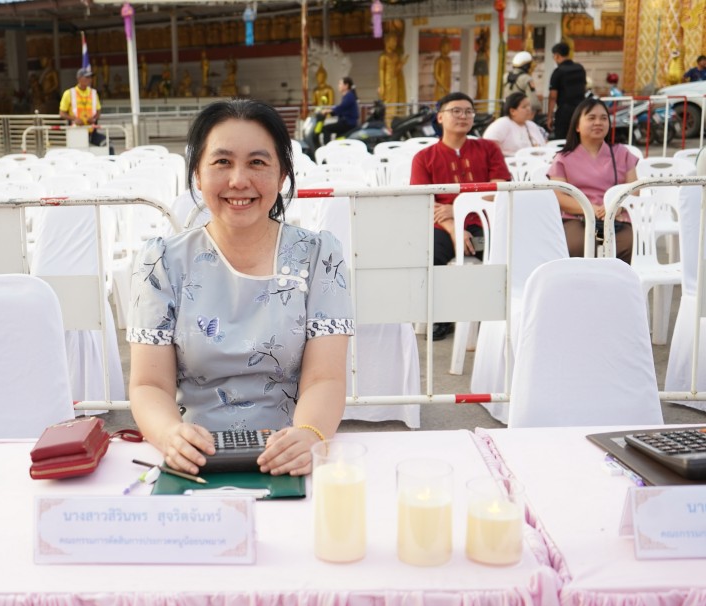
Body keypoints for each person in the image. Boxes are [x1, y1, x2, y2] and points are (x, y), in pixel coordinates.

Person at [127, 99, 354, 477]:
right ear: (197, 175)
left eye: (257, 162)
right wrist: (170, 435)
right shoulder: (162, 262)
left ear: (282, 176)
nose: (238, 180)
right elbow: (149, 384)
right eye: (222, 162)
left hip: (289, 454)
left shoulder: (318, 257)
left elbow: (325, 377)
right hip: (195, 456)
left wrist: (310, 434)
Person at [410, 92, 511, 340]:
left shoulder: (488, 149)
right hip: (441, 225)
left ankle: (495, 317)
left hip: (484, 221)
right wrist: (454, 227)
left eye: (468, 111)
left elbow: (500, 188)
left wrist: (458, 206)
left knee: (501, 252)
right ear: (440, 117)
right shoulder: (424, 157)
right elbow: (424, 202)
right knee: (431, 254)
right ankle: (440, 316)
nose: (463, 116)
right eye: (456, 111)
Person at [546, 97, 638, 263]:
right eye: (591, 118)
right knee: (578, 245)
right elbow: (558, 196)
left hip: (616, 217)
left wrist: (617, 207)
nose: (598, 123)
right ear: (577, 126)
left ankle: (616, 281)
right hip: (575, 218)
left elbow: (634, 190)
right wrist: (591, 209)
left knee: (628, 244)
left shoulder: (622, 153)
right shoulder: (563, 158)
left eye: (603, 118)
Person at [483, 92, 548, 157]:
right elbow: (488, 146)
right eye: (524, 107)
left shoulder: (532, 125)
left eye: (529, 105)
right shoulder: (502, 124)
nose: (528, 109)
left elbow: (543, 146)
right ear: (512, 111)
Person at [59, 67, 109, 148]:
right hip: (76, 131)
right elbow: (62, 113)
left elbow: (98, 111)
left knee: (108, 144)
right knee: (79, 152)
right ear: (79, 79)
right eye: (87, 77)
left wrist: (94, 119)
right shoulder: (69, 93)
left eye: (90, 77)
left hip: (91, 132)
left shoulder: (93, 93)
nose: (89, 79)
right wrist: (74, 119)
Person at [547, 42, 586, 141]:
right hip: (580, 110)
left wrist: (550, 117)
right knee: (579, 139)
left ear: (557, 55)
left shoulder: (558, 72)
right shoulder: (580, 68)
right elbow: (584, 88)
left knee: (562, 140)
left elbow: (553, 97)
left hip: (565, 112)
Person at [320, 77, 359, 145]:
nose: (339, 86)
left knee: (326, 128)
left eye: (340, 84)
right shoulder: (347, 95)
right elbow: (341, 108)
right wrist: (331, 111)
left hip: (348, 123)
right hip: (345, 122)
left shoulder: (349, 96)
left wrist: (329, 111)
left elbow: (342, 107)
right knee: (337, 140)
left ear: (346, 86)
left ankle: (327, 148)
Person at [433, 37, 452, 101]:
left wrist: (448, 87)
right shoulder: (438, 60)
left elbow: (449, 74)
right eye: (448, 47)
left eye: (450, 47)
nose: (450, 49)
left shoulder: (449, 60)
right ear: (442, 47)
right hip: (441, 86)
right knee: (440, 101)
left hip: (447, 85)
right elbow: (436, 75)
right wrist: (444, 86)